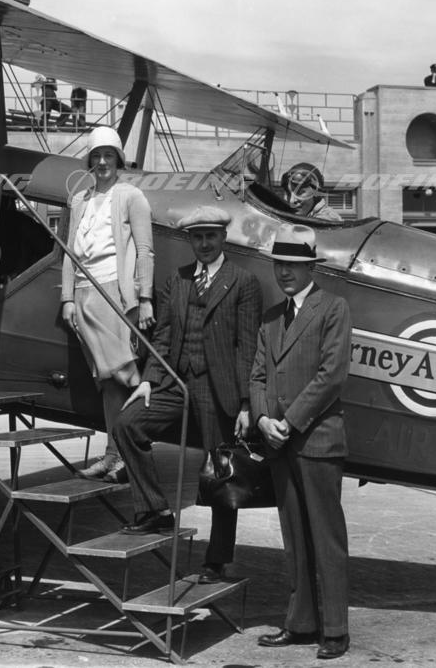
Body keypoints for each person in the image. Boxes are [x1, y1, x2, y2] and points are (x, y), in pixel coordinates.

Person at [113, 206, 262, 584]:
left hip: (219, 390)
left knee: (221, 471)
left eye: (211, 236)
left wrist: (246, 403)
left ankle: (217, 560)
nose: (205, 243)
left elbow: (247, 346)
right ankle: (155, 510)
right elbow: (162, 337)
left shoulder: (243, 282)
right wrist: (149, 380)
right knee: (128, 424)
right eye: (197, 237)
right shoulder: (176, 281)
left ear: (223, 237)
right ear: (189, 240)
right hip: (176, 384)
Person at [249, 224, 352, 660]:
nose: (285, 272)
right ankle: (301, 623)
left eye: (293, 264)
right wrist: (261, 419)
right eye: (279, 264)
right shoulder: (272, 317)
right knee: (294, 535)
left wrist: (287, 422)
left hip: (316, 440)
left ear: (312, 267)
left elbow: (332, 375)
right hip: (280, 443)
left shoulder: (333, 308)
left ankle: (336, 630)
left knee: (326, 537)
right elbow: (257, 375)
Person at [62, 126, 155, 482]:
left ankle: (129, 455)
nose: (102, 162)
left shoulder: (131, 195)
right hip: (83, 294)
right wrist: (67, 298)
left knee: (123, 375)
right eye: (96, 156)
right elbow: (69, 252)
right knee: (106, 380)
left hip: (114, 294)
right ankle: (113, 455)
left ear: (119, 160)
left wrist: (144, 298)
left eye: (109, 155)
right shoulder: (79, 200)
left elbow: (145, 250)